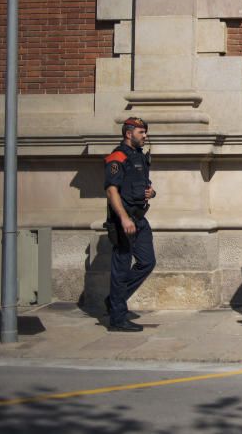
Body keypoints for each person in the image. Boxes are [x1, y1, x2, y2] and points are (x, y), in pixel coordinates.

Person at [103, 117, 157, 332]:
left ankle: (115, 300)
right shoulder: (117, 157)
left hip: (139, 218)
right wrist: (124, 218)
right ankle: (117, 318)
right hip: (123, 221)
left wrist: (151, 192)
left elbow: (144, 186)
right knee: (121, 267)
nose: (145, 136)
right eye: (141, 132)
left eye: (145, 132)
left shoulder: (140, 157)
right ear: (128, 133)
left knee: (147, 262)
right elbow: (111, 190)